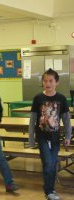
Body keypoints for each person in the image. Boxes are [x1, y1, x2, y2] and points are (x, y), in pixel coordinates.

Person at [29, 68, 72, 200]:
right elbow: (32, 120)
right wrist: (31, 139)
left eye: (51, 81)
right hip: (41, 137)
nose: (47, 83)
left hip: (55, 138)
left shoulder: (61, 99)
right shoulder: (38, 98)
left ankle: (49, 190)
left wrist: (68, 136)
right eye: (45, 81)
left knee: (52, 164)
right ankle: (49, 191)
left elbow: (66, 120)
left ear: (56, 82)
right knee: (48, 163)